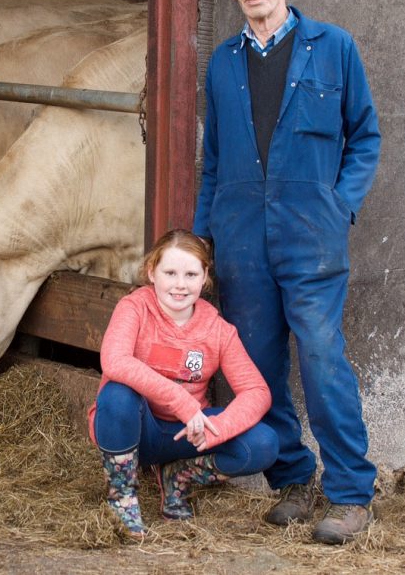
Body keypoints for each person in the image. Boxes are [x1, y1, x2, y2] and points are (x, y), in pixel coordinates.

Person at [192, 0, 382, 544]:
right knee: (256, 365)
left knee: (323, 357)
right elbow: (214, 160)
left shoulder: (334, 48)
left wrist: (338, 205)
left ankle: (351, 493)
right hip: (242, 234)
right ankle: (294, 478)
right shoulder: (224, 62)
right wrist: (202, 243)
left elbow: (365, 137)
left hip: (311, 235)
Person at [88, 229, 278, 535]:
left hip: (188, 434)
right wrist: (182, 402)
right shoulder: (135, 308)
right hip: (138, 429)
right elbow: (115, 361)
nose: (180, 284)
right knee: (117, 393)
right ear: (152, 273)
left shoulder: (217, 329)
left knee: (265, 443)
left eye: (191, 274)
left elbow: (256, 391)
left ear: (205, 277)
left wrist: (221, 429)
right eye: (170, 272)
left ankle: (179, 477)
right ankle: (122, 497)